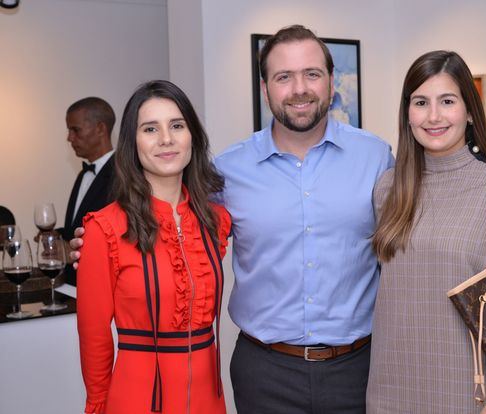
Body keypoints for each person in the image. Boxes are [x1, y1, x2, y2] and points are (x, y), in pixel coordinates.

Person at [72, 25, 393, 414]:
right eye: (283, 77)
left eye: (312, 74)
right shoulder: (228, 172)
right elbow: (156, 224)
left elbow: (407, 242)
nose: (299, 89)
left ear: (330, 80)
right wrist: (93, 247)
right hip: (264, 373)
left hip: (358, 368)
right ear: (265, 88)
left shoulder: (376, 158)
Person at [367, 50, 486, 413]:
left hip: (474, 392)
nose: (433, 116)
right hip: (390, 390)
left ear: (468, 111)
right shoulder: (388, 188)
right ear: (408, 114)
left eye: (447, 101)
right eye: (421, 102)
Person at [76, 80, 230, 414]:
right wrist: (98, 404)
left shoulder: (215, 220)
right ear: (132, 142)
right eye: (150, 128)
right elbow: (94, 337)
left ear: (193, 137)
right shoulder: (104, 229)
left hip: (209, 398)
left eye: (177, 125)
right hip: (139, 399)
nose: (166, 139)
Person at [61, 97, 116, 285]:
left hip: (102, 286)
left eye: (75, 130)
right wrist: (56, 235)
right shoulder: (82, 175)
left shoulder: (124, 177)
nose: (69, 138)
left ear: (100, 129)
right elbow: (83, 224)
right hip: (74, 286)